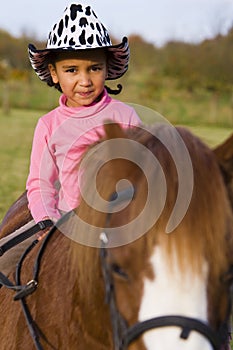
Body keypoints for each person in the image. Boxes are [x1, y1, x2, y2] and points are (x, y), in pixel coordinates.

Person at [25, 2, 141, 235]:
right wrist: (47, 222)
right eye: (71, 70)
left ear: (107, 69)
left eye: (94, 68)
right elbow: (40, 184)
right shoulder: (48, 125)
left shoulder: (125, 116)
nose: (85, 81)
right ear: (54, 73)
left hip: (119, 228)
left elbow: (144, 173)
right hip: (66, 227)